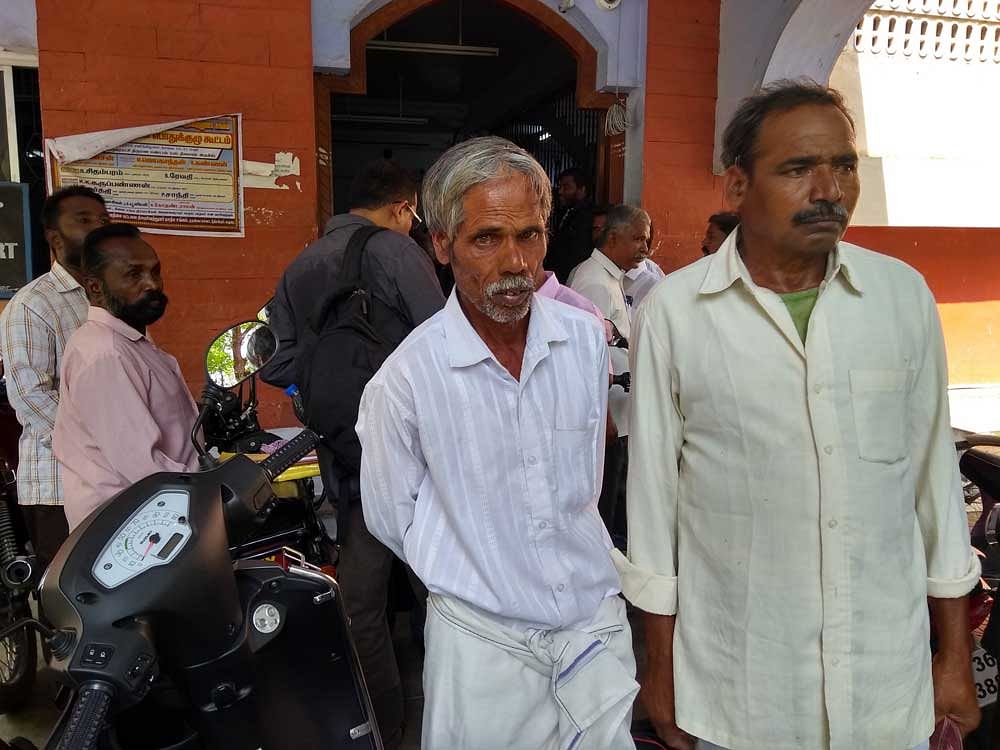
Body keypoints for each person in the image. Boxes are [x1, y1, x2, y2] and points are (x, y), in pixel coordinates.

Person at [621, 80, 980, 750]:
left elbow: (935, 485)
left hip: (884, 684)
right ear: (736, 187)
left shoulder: (901, 297)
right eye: (797, 169)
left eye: (843, 165)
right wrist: (661, 670)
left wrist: (953, 658)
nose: (830, 189)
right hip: (740, 686)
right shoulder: (674, 313)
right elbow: (652, 508)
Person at [357, 136, 637, 750]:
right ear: (440, 244)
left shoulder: (583, 341)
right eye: (487, 238)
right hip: (482, 652)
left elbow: (584, 484)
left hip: (591, 632)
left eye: (530, 235)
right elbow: (392, 519)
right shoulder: (406, 382)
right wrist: (481, 565)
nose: (516, 262)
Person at [260, 158, 445, 749]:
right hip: (419, 463)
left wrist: (324, 395)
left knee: (361, 601)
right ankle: (449, 711)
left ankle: (382, 724)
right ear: (402, 207)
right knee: (438, 589)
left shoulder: (300, 266)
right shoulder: (398, 253)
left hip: (348, 462)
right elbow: (444, 347)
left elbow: (274, 360)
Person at [53, 223, 199, 530]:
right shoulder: (105, 354)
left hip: (155, 513)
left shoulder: (129, 341)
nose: (152, 284)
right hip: (132, 527)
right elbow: (144, 465)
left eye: (155, 271)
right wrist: (210, 496)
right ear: (95, 287)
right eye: (134, 275)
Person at [0, 186, 109, 563]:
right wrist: (103, 443)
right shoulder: (33, 304)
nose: (97, 228)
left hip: (114, 482)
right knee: (72, 603)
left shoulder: (110, 297)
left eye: (103, 220)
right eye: (84, 220)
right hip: (58, 487)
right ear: (55, 238)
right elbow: (31, 395)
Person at [570, 204, 651, 534]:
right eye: (639, 240)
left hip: (617, 414)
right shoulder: (594, 283)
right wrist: (606, 418)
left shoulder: (609, 277)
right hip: (608, 421)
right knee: (604, 509)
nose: (645, 249)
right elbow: (586, 359)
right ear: (614, 238)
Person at [545, 167, 594, 283]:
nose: (560, 192)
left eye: (566, 187)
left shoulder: (588, 217)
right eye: (560, 187)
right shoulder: (565, 211)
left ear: (582, 189)